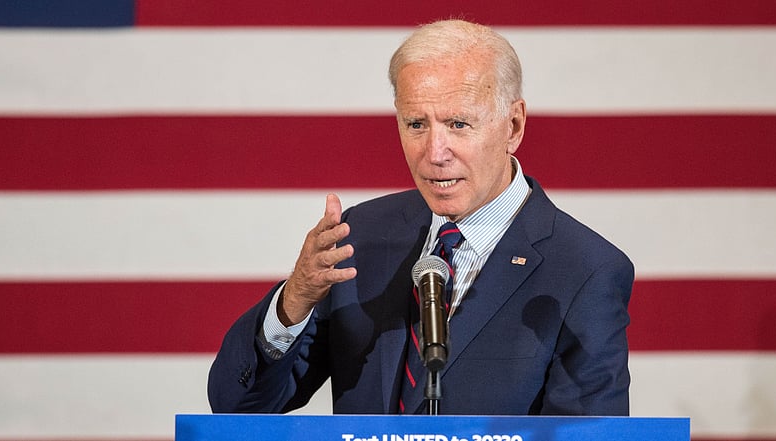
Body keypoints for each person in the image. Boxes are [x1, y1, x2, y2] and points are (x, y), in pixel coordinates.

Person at [208, 19, 633, 416]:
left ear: (513, 126)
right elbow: (239, 407)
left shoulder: (585, 271)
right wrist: (292, 304)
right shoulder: (363, 237)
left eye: (459, 124)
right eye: (416, 124)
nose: (434, 153)